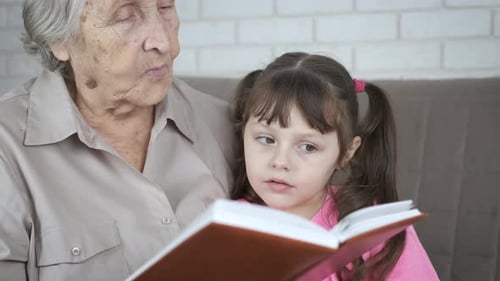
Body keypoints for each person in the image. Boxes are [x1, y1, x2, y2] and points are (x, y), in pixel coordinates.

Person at [0, 1, 233, 280]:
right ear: (58, 41)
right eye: (125, 17)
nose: (165, 43)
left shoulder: (225, 122)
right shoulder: (8, 147)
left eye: (165, 8)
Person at [230, 52, 439, 281]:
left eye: (308, 147)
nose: (280, 161)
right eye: (266, 139)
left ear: (347, 152)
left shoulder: (374, 228)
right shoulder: (224, 226)